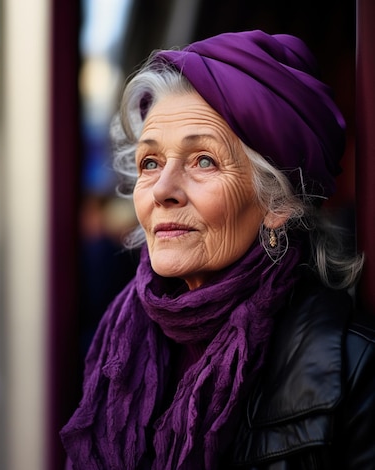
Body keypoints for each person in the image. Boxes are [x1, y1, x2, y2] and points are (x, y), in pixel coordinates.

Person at [60, 30, 375, 469]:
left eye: (203, 160)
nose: (162, 190)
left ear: (277, 204)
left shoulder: (356, 369)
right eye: (150, 163)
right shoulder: (118, 346)